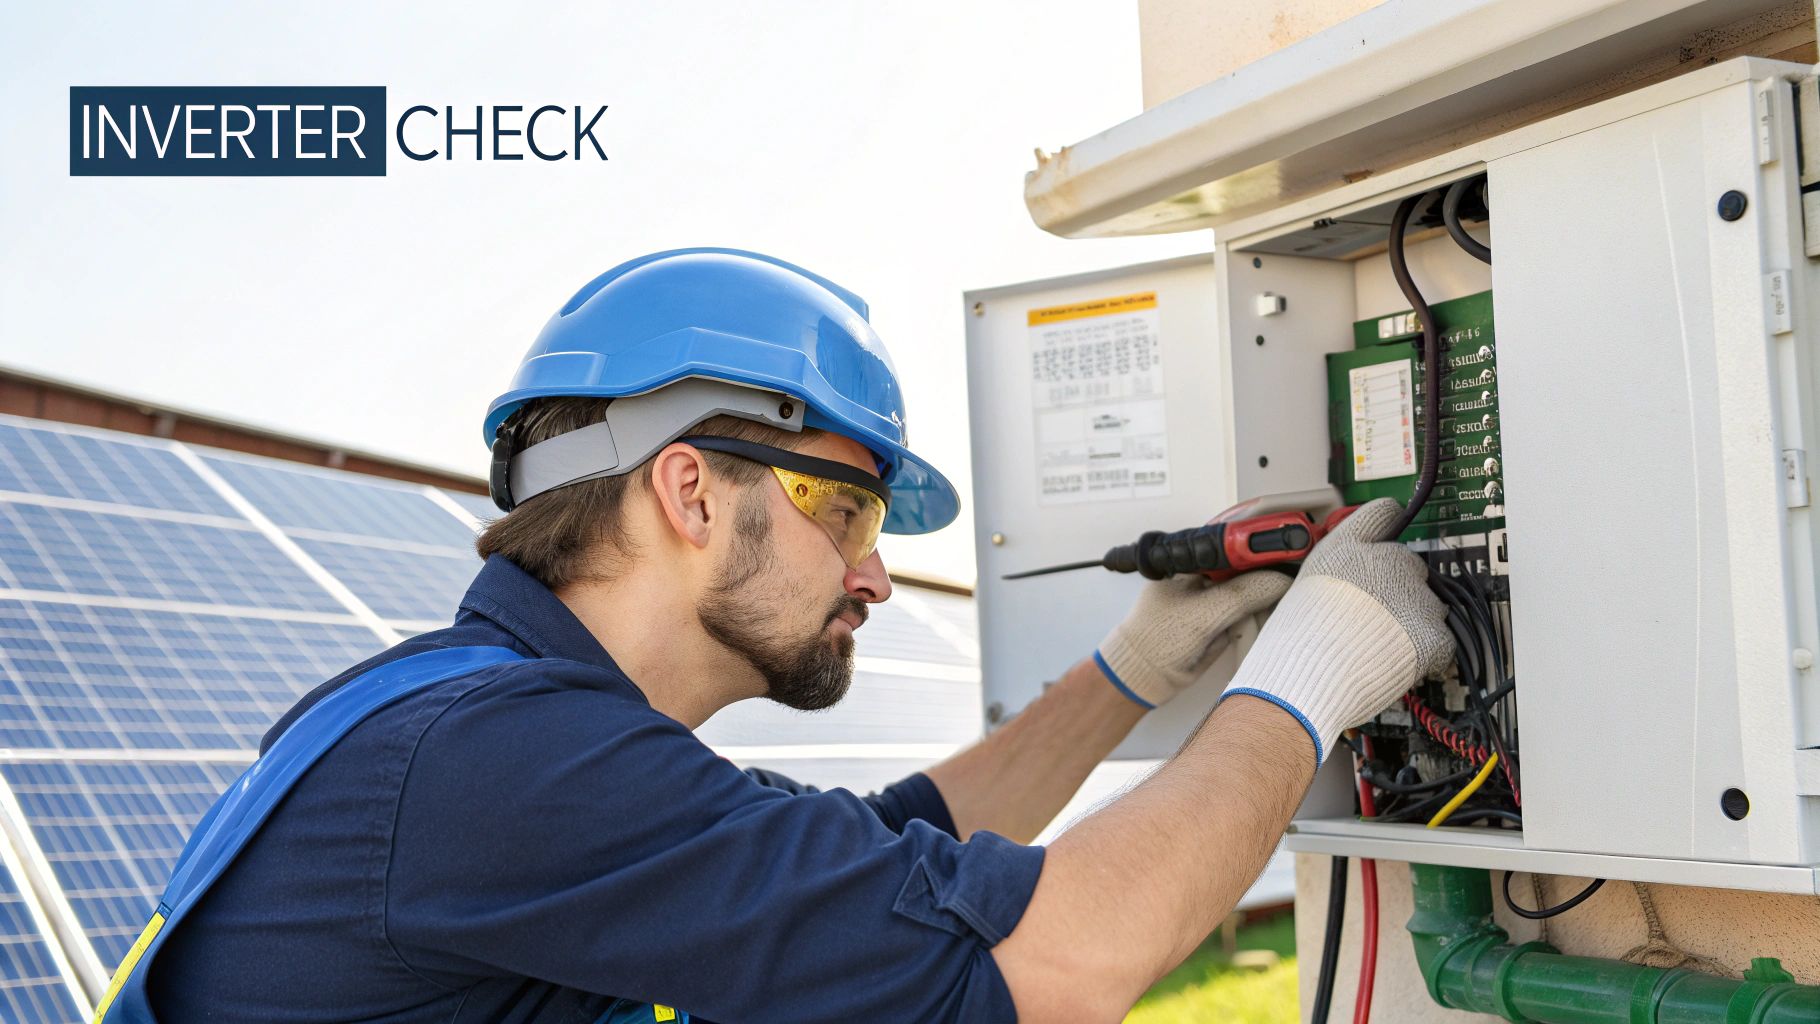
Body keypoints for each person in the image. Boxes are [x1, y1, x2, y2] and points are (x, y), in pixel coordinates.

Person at [123, 249, 1450, 1023]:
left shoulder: (472, 721)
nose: (877, 576)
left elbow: (885, 857)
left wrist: (1133, 672)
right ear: (691, 489)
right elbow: (1053, 960)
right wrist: (1309, 673)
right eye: (849, 507)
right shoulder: (497, 767)